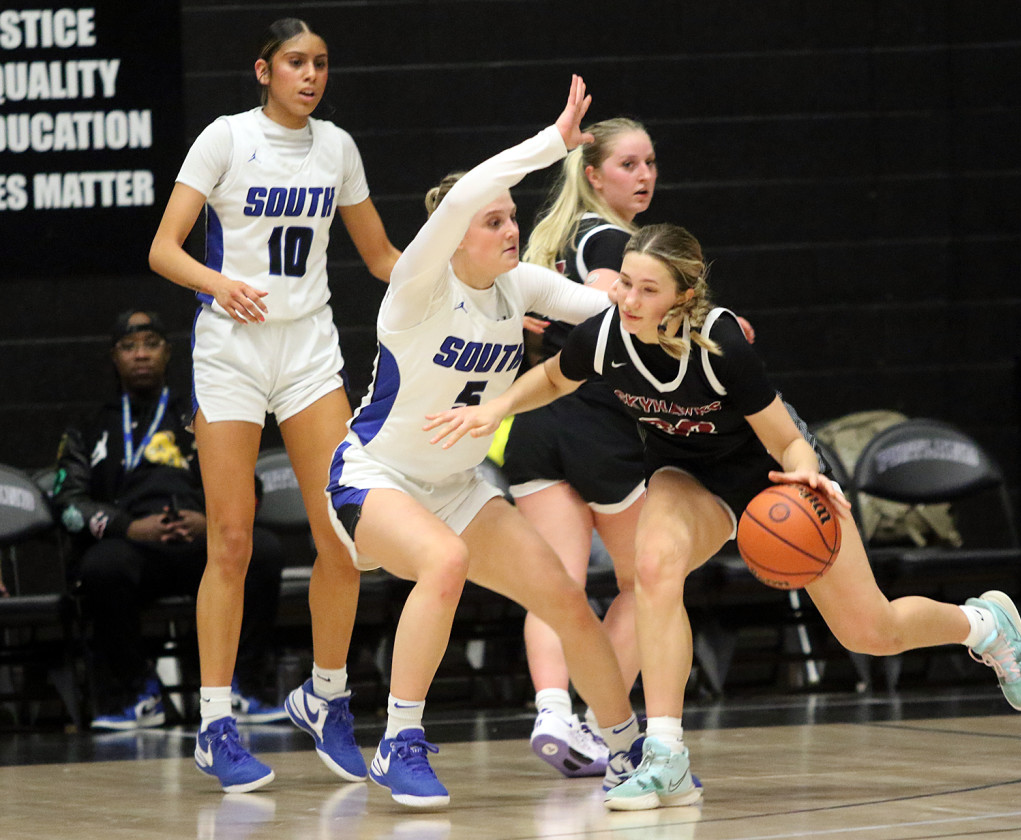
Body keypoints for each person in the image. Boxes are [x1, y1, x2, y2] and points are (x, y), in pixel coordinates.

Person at [428, 222, 1021, 812]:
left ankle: (983, 625)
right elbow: (554, 378)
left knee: (871, 632)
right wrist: (497, 407)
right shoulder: (605, 335)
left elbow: (786, 440)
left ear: (684, 297)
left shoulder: (720, 343)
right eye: (624, 283)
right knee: (652, 567)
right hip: (687, 476)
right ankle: (665, 751)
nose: (628, 298)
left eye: (647, 289)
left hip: (771, 475)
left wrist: (808, 473)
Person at [325, 75, 644, 810]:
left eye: (512, 219)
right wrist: (547, 145)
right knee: (445, 562)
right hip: (378, 476)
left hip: (462, 487)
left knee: (566, 599)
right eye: (494, 220)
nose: (511, 229)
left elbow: (612, 308)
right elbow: (474, 189)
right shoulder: (416, 285)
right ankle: (399, 741)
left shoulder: (520, 284)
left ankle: (627, 749)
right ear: (457, 231)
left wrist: (700, 320)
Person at [148, 18, 401, 792]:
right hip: (231, 349)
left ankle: (326, 697)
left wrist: (476, 288)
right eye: (296, 61)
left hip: (308, 351)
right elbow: (164, 249)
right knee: (231, 539)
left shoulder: (339, 148)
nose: (311, 74)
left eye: (321, 62)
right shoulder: (225, 139)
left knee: (344, 536)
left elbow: (383, 257)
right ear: (264, 69)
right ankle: (215, 720)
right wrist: (218, 283)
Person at [497, 118, 658, 777]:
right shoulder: (611, 237)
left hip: (535, 422)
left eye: (650, 162)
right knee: (649, 582)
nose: (644, 175)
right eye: (628, 164)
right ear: (593, 175)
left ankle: (554, 712)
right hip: (596, 420)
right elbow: (604, 293)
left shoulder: (544, 238)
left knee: (556, 586)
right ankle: (604, 723)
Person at [53, 309, 287, 731]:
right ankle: (140, 694)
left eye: (151, 344)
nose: (140, 355)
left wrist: (210, 520)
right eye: (129, 347)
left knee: (263, 551)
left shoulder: (203, 414)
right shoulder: (89, 426)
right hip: (133, 546)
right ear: (114, 356)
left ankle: (241, 688)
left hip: (203, 542)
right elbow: (67, 501)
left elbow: (248, 484)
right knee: (101, 567)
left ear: (168, 352)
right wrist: (127, 526)